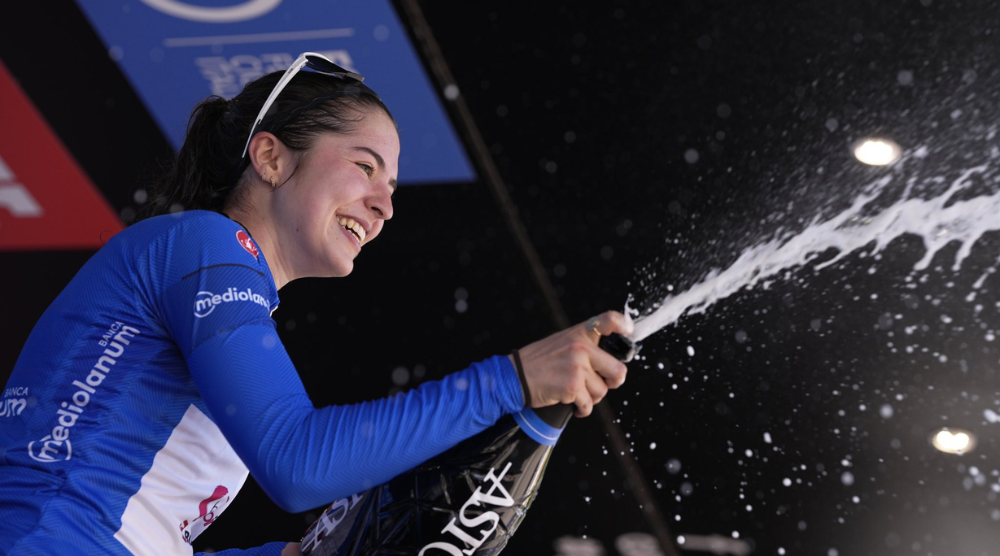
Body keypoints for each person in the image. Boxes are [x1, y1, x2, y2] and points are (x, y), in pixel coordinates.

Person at [0, 52, 632, 556]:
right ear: (271, 156)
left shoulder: (216, 274)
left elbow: (153, 530)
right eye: (364, 166)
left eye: (391, 186)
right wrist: (510, 380)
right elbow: (295, 462)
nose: (385, 206)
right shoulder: (203, 243)